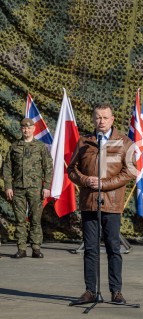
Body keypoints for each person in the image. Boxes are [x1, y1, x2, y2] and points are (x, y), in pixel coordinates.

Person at [68, 104, 135, 304]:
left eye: (105, 117)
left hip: (112, 204)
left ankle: (116, 291)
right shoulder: (84, 142)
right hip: (89, 203)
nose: (101, 121)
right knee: (90, 248)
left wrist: (104, 184)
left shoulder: (124, 142)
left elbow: (130, 171)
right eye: (98, 117)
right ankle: (90, 291)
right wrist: (84, 180)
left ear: (112, 119)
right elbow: (72, 169)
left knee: (114, 248)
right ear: (93, 119)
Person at [3, 118, 52, 258]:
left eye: (29, 128)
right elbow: (7, 168)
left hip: (36, 188)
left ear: (34, 129)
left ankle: (36, 248)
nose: (26, 130)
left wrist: (46, 186)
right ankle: (21, 248)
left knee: (35, 219)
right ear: (21, 129)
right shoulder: (14, 147)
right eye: (24, 128)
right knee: (20, 220)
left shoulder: (41, 147)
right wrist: (8, 186)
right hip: (18, 188)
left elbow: (48, 167)